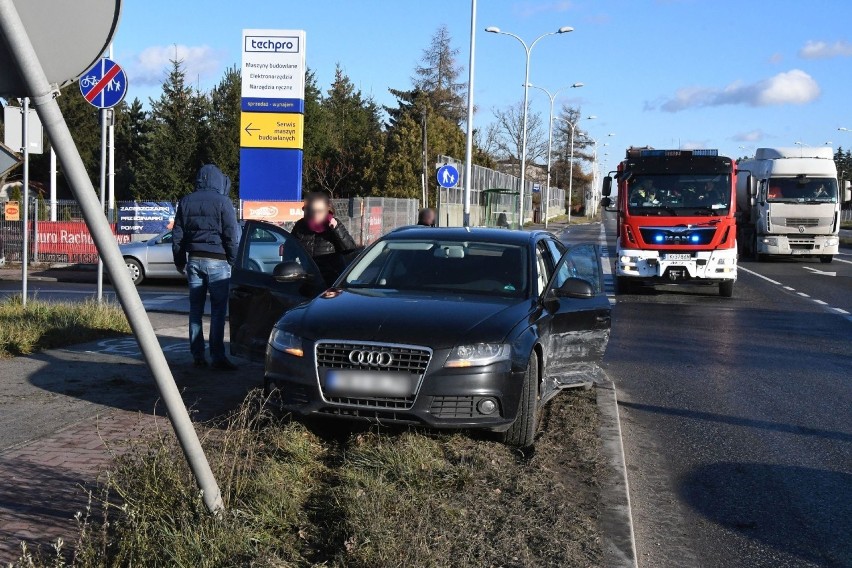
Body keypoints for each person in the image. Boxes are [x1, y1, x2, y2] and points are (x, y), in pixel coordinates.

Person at [172, 164, 240, 370]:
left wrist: (179, 261)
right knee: (218, 311)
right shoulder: (223, 202)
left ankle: (197, 355)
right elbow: (231, 236)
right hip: (218, 261)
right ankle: (218, 356)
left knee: (195, 309)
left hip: (194, 260)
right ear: (218, 180)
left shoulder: (186, 201)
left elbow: (177, 236)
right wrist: (234, 261)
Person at [291, 192, 357, 285]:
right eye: (312, 211)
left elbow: (350, 249)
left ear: (327, 210)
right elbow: (290, 250)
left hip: (331, 281)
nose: (315, 215)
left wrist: (336, 229)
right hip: (308, 279)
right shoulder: (301, 225)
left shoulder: (334, 224)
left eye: (320, 211)